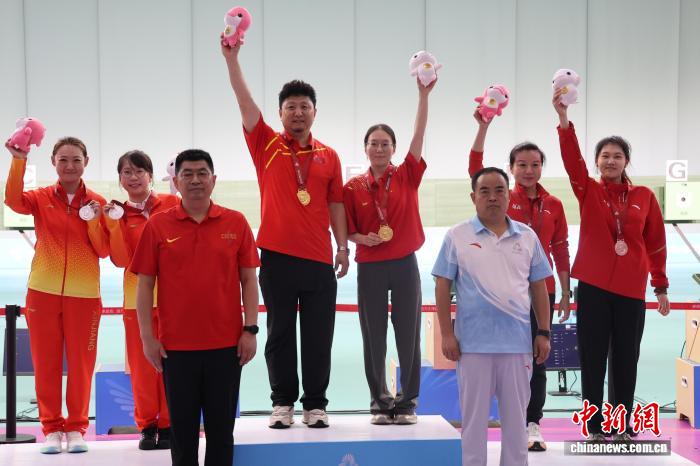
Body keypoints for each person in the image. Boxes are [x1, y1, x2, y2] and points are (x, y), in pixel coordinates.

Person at [222, 36, 348, 428]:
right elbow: (244, 102)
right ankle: (282, 404)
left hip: (319, 260)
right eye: (290, 106)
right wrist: (232, 60)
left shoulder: (329, 156)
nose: (298, 112)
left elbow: (336, 204)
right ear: (279, 113)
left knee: (318, 336)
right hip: (276, 257)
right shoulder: (266, 144)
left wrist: (343, 248)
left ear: (315, 113)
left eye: (304, 106)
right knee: (279, 334)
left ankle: (316, 404)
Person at [552, 88, 670, 441]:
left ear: (626, 162)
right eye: (605, 156)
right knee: (592, 357)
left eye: (617, 156)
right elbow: (572, 160)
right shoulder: (588, 190)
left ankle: (622, 425)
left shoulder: (644, 197)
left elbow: (656, 243)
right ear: (597, 161)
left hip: (631, 289)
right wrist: (563, 119)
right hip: (593, 287)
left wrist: (660, 286)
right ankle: (593, 426)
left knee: (625, 359)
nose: (611, 161)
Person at [130, 149, 259, 465]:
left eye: (202, 173)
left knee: (221, 434)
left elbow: (249, 280)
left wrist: (251, 330)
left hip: (226, 347)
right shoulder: (158, 225)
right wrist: (147, 337)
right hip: (176, 350)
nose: (195, 180)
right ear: (176, 181)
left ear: (214, 180)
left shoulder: (236, 222)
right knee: (182, 435)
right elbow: (144, 285)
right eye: (187, 174)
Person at [433, 167, 552, 466]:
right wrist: (447, 334)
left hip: (517, 347)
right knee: (473, 424)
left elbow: (539, 287)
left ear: (509, 195)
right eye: (484, 191)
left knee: (516, 425)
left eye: (499, 190)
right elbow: (442, 285)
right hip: (473, 347)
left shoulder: (527, 237)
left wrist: (543, 332)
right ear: (473, 197)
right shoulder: (457, 236)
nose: (492, 197)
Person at [468, 110, 571, 451]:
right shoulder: (500, 198)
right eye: (522, 165)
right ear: (511, 168)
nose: (529, 170)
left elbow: (561, 248)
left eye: (535, 164)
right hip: (502, 294)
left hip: (542, 291)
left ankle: (532, 423)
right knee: (500, 361)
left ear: (542, 168)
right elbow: (475, 166)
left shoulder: (554, 204)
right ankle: (498, 422)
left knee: (538, 359)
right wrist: (483, 127)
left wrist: (565, 291)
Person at [4, 137, 109, 454]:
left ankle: (76, 427)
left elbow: (104, 250)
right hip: (43, 292)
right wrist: (19, 160)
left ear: (86, 162)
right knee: (46, 364)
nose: (70, 166)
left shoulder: (98, 203)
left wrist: (95, 222)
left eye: (76, 159)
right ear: (53, 162)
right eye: (63, 159)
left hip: (84, 295)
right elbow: (12, 200)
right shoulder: (40, 198)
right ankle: (51, 428)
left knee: (81, 365)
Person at [342, 78, 435, 425]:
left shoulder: (408, 174)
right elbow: (346, 228)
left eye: (385, 144)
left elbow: (419, 135)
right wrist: (359, 238)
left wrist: (423, 95)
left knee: (408, 333)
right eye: (373, 144)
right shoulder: (353, 187)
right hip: (370, 267)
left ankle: (407, 402)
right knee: (374, 336)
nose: (379, 149)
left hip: (405, 264)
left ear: (394, 148)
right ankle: (380, 402)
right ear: (365, 148)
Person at [104, 150, 178, 450]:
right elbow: (121, 259)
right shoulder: (118, 214)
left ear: (150, 175)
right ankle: (147, 425)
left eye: (139, 171)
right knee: (143, 367)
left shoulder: (172, 203)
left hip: (175, 300)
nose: (133, 177)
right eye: (127, 172)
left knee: (173, 365)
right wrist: (113, 224)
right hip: (136, 301)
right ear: (120, 179)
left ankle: (170, 425)